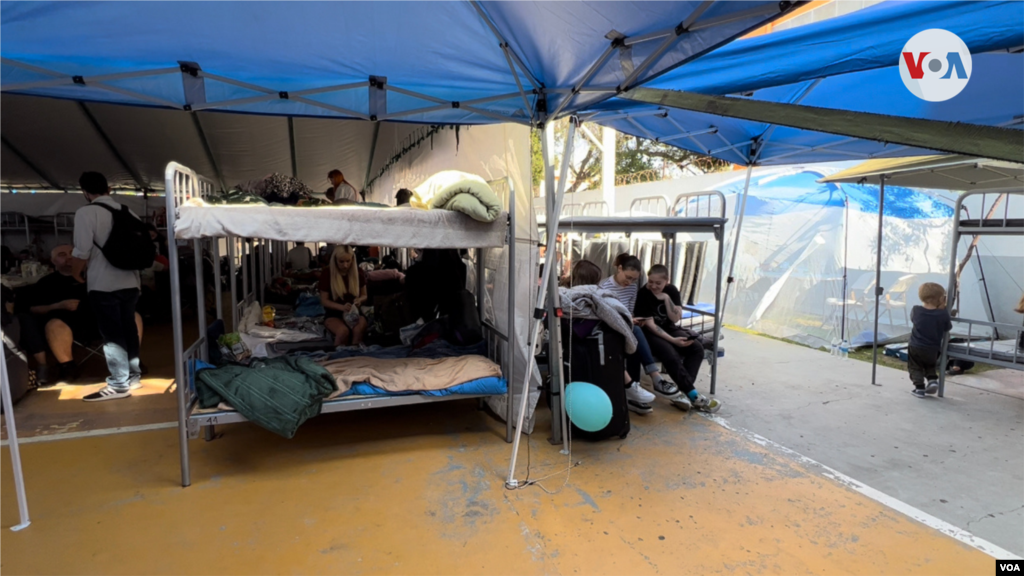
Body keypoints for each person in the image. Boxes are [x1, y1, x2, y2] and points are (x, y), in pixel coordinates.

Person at [16, 245, 145, 387]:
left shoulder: (97, 276)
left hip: (101, 319)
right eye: (62, 255)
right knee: (54, 325)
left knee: (133, 315)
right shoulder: (46, 282)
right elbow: (33, 309)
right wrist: (58, 306)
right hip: (67, 324)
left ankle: (132, 360)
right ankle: (68, 367)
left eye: (72, 253)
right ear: (53, 261)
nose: (69, 257)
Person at [71, 172, 144, 402]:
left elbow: (81, 250)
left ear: (84, 191)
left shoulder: (86, 212)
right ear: (108, 189)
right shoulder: (127, 211)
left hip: (103, 283)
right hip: (131, 281)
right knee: (128, 328)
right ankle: (133, 376)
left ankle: (119, 384)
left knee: (112, 334)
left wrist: (76, 273)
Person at [635, 264, 721, 412]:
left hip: (670, 327)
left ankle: (682, 393)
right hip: (650, 333)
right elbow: (651, 325)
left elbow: (674, 319)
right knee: (670, 353)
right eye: (651, 282)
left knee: (696, 348)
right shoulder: (643, 294)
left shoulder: (671, 291)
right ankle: (693, 395)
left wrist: (667, 298)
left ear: (666, 281)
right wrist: (673, 341)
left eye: (658, 283)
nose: (653, 286)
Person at [595, 255, 661, 414]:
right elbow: (603, 313)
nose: (629, 282)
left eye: (634, 279)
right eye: (628, 277)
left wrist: (632, 319)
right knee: (635, 335)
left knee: (634, 338)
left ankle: (634, 390)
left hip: (627, 326)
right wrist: (628, 320)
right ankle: (653, 376)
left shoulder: (632, 288)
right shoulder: (604, 286)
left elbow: (630, 310)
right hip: (609, 327)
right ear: (619, 269)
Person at [908, 282, 952, 398]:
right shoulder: (943, 314)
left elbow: (913, 320)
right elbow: (947, 327)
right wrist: (942, 309)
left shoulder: (916, 310)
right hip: (933, 348)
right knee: (930, 365)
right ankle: (932, 380)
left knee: (915, 366)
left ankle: (919, 388)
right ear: (941, 298)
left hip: (916, 345)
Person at [319, 245, 368, 347]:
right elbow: (324, 300)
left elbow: (364, 295)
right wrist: (341, 307)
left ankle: (355, 353)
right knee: (343, 332)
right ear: (335, 260)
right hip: (333, 314)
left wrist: (359, 300)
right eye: (341, 262)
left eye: (348, 261)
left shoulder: (358, 272)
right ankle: (338, 357)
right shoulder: (327, 273)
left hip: (354, 313)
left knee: (359, 328)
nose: (345, 265)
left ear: (352, 260)